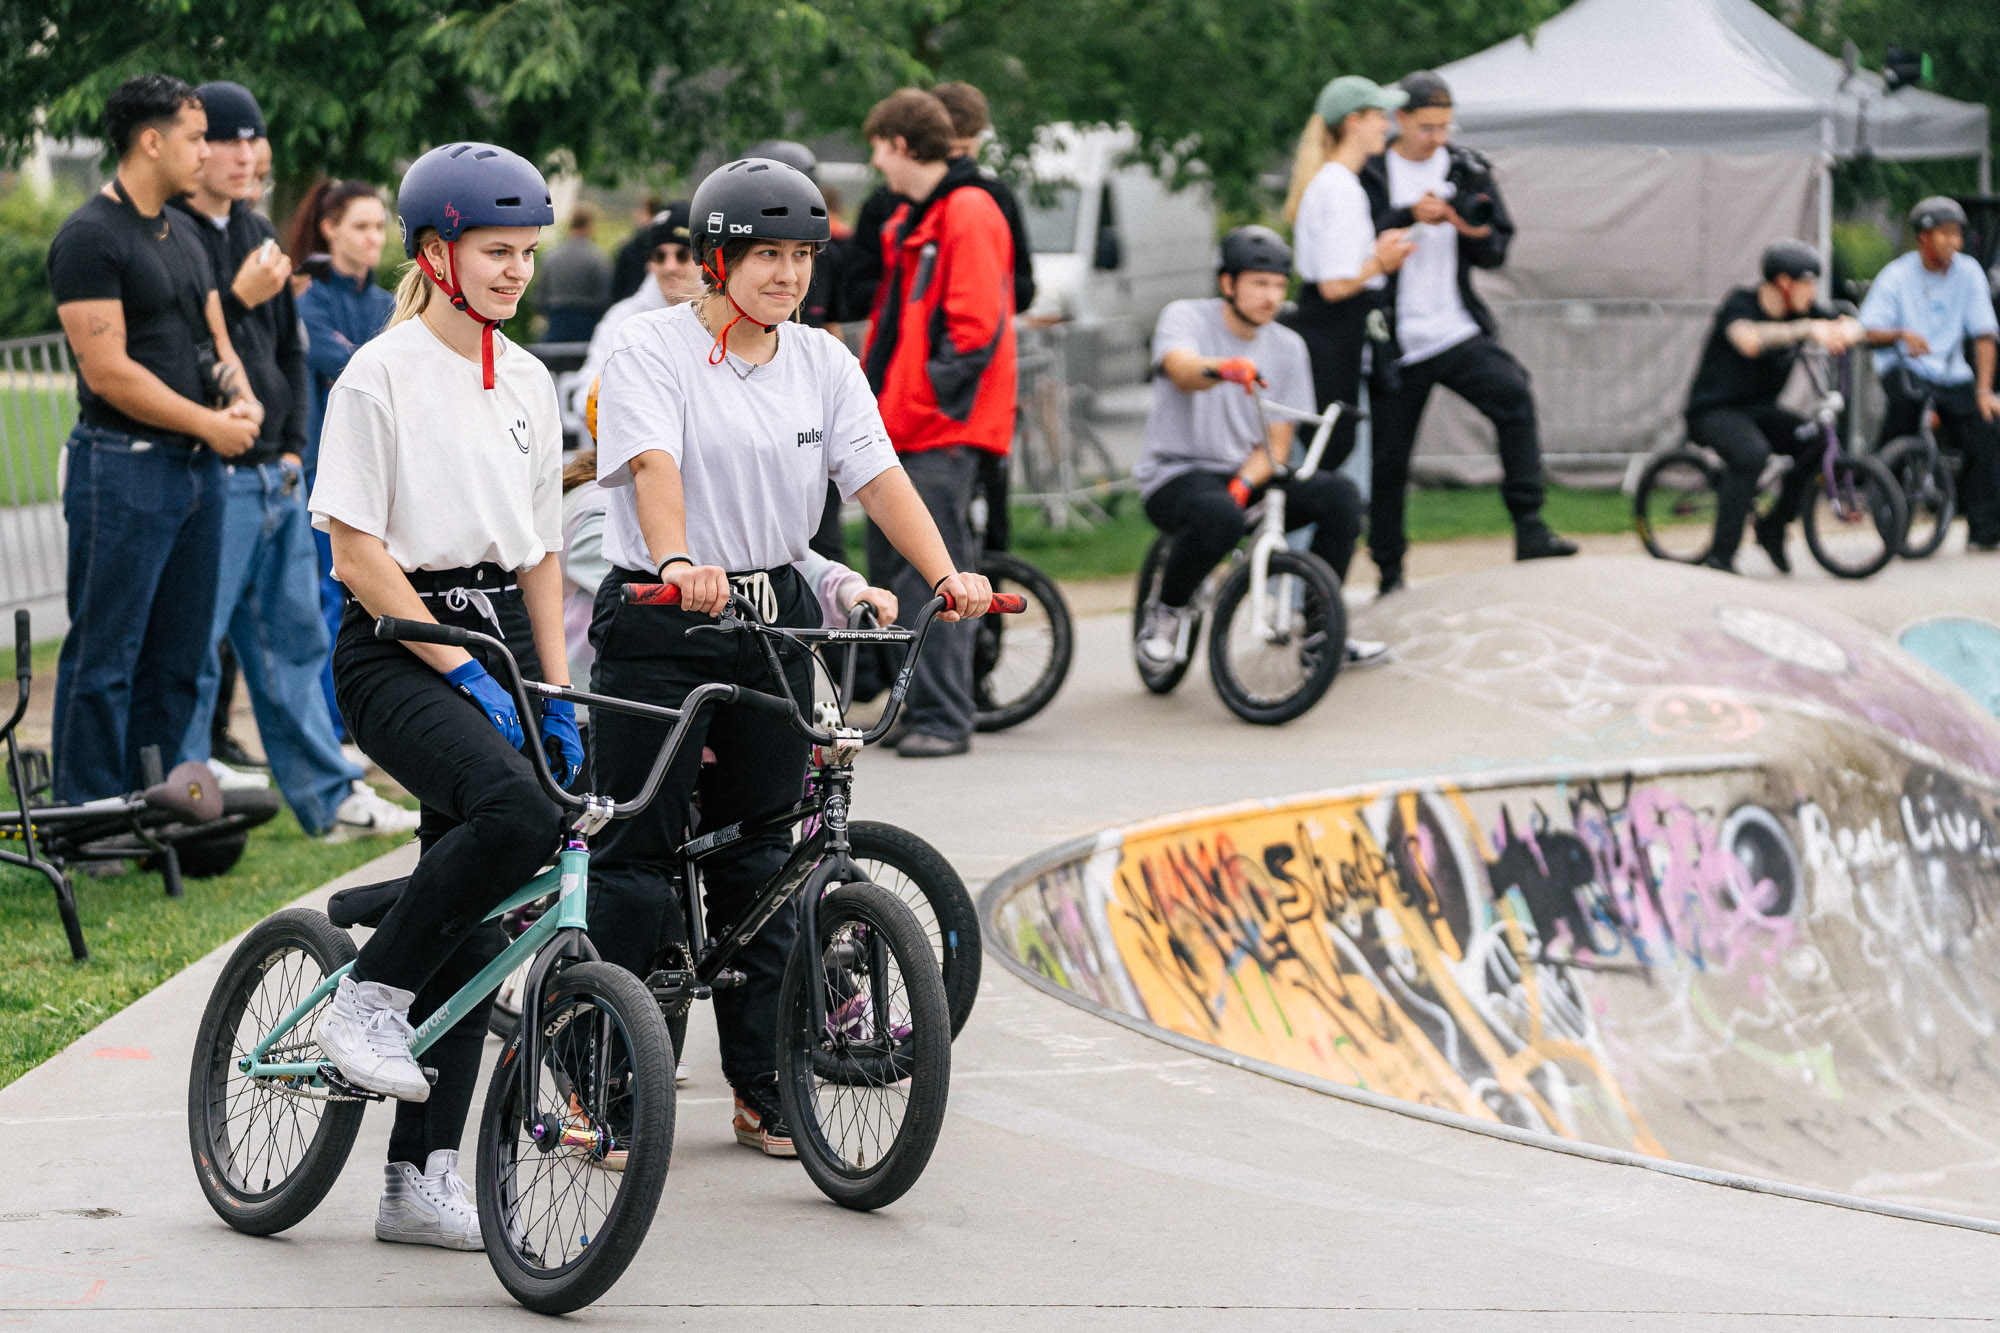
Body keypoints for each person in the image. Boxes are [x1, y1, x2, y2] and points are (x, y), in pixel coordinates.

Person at [588, 153, 992, 1155]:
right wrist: (679, 557)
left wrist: (945, 572)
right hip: (660, 610)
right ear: (716, 259)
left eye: (800, 256)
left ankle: (765, 1084)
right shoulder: (652, 347)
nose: (785, 274)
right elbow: (653, 464)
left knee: (765, 858)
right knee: (637, 858)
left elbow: (878, 476)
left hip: (769, 613)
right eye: (763, 254)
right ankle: (606, 1076)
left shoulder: (822, 362)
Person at [308, 142, 574, 1249]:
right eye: (494, 251)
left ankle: (417, 1179)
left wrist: (554, 685)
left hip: (503, 637)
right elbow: (355, 552)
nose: (514, 272)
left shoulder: (526, 378)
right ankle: (364, 993)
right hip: (395, 640)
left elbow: (542, 556)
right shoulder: (379, 372)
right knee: (514, 813)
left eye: (525, 253)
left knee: (495, 902)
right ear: (437, 253)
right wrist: (457, 667)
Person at [168, 83, 417, 841]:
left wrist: (288, 447)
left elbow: (287, 352)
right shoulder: (169, 232)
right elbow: (171, 353)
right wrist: (237, 301)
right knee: (196, 644)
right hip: (210, 471)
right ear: (188, 146)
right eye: (225, 139)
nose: (247, 154)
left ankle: (328, 796)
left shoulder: (251, 228)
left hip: (276, 469)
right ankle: (185, 803)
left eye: (255, 140)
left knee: (295, 640)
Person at [47, 74, 263, 805]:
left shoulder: (185, 235)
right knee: (106, 654)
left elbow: (213, 336)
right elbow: (108, 372)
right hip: (122, 468)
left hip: (197, 473)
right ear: (151, 140)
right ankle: (90, 813)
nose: (207, 152)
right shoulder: (89, 237)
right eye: (197, 137)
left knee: (178, 658)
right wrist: (211, 424)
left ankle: (161, 810)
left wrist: (242, 396)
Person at [1358, 70, 1577, 590]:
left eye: (1445, 126)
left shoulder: (1465, 168)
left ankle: (1530, 527)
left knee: (1514, 394)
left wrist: (1466, 226)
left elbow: (1496, 248)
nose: (1438, 138)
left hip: (1454, 328)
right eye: (1427, 127)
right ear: (1399, 120)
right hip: (1395, 340)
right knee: (1390, 460)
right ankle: (1390, 570)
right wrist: (1408, 213)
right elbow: (1353, 241)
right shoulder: (1370, 172)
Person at [1134, 227, 1387, 670]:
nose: (1271, 297)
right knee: (1217, 515)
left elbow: (1279, 441)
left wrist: (1243, 483)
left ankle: (1320, 632)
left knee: (1341, 497)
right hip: (1177, 474)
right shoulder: (1186, 317)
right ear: (1227, 284)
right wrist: (1224, 369)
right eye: (1258, 283)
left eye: (1278, 285)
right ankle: (1165, 614)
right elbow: (1182, 370)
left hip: (1249, 474)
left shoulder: (1288, 346)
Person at [860, 88, 1016, 759]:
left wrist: (924, 401)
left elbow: (973, 330)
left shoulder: (968, 209)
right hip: (907, 425)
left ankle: (946, 715)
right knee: (903, 576)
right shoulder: (926, 215)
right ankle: (917, 706)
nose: (874, 164)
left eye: (876, 148)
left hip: (937, 428)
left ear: (899, 143)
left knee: (937, 576)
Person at [1280, 74, 1413, 536]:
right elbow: (1336, 285)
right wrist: (1380, 260)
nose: (1386, 125)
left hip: (1329, 341)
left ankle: (1302, 595)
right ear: (1353, 122)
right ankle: (1298, 595)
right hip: (1331, 344)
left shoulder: (1330, 184)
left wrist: (1374, 258)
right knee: (1326, 474)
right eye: (1379, 116)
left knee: (1323, 466)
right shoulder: (1340, 188)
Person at [1684, 239, 1863, 573]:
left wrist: (1850, 328)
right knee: (1752, 454)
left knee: (1818, 441)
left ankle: (1774, 525)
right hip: (1713, 410)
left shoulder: (1802, 310)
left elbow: (1845, 322)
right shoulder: (1740, 304)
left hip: (1760, 410)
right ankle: (1721, 556)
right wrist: (1808, 329)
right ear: (1783, 282)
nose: (1813, 293)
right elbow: (1748, 340)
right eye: (1807, 284)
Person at [293, 179, 394, 741]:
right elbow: (361, 368)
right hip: (322, 475)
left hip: (383, 476)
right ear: (330, 230)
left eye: (380, 226)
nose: (373, 238)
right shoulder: (310, 301)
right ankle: (336, 728)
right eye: (361, 226)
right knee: (330, 601)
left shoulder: (385, 304)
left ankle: (370, 720)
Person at [1859, 196, 2000, 551]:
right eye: (1946, 234)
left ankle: (1984, 529)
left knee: (1985, 432)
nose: (1955, 242)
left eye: (1958, 235)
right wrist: (1900, 334)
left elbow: (1984, 334)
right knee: (1904, 417)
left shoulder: (1968, 272)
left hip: (1950, 371)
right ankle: (1886, 505)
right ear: (1924, 236)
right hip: (1905, 366)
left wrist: (1984, 391)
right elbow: (1868, 329)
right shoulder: (1897, 275)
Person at [839, 81, 1036, 324]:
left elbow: (1021, 289)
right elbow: (856, 291)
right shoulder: (887, 202)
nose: (956, 161)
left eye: (965, 150)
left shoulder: (989, 199)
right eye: (950, 149)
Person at [568, 201, 696, 422]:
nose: (670, 266)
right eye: (659, 256)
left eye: (682, 254)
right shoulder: (623, 318)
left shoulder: (723, 312)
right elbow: (585, 395)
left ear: (703, 258)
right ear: (649, 263)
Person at [537, 201, 612, 342]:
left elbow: (540, 295)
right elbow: (605, 296)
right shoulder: (598, 257)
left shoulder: (551, 255)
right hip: (588, 324)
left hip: (555, 322)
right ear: (590, 224)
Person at [609, 191, 666, 302]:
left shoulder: (632, 245)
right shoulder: (668, 246)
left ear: (645, 212)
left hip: (628, 301)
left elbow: (617, 287)